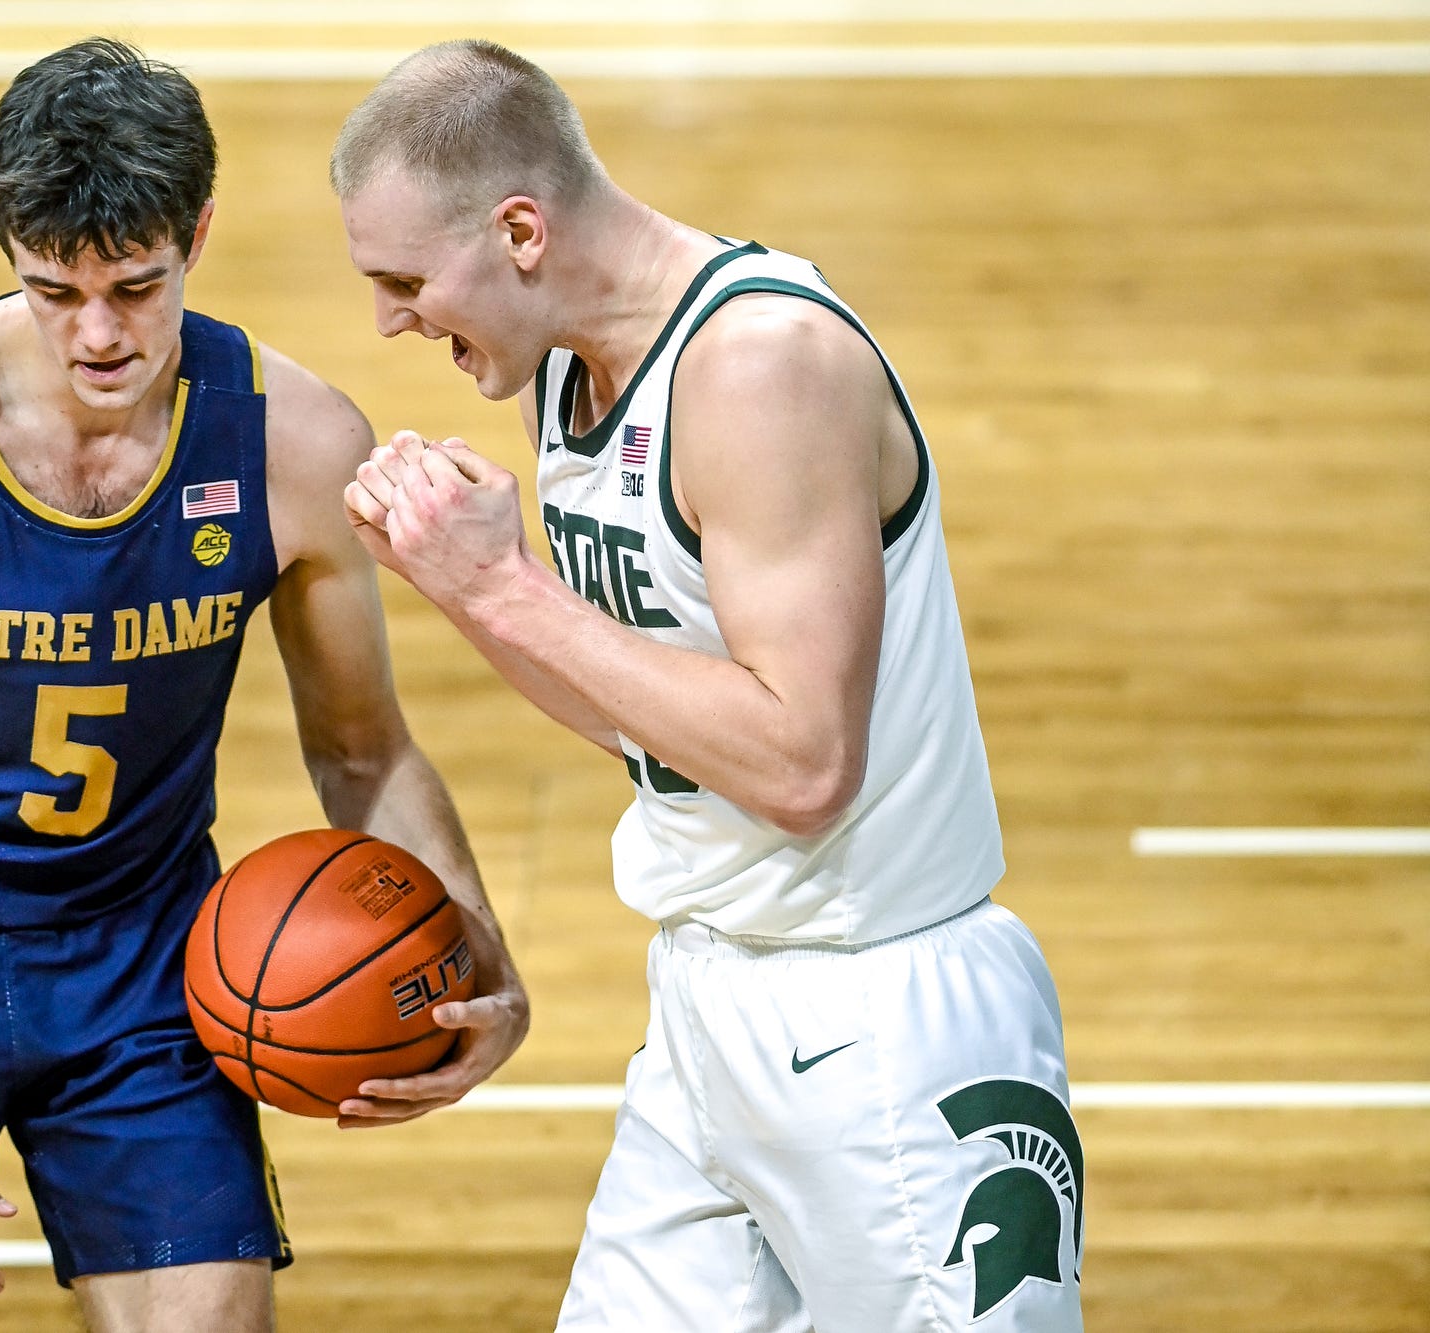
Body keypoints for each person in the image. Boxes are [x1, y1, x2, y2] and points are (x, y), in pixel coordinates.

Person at [0, 37, 528, 1333]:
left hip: (141, 960)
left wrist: (481, 959)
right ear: (8, 244)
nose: (96, 335)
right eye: (51, 290)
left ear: (197, 230)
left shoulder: (292, 440)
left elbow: (364, 753)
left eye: (137, 288)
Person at [333, 40, 1083, 1333]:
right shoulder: (567, 375)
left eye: (404, 281)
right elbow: (654, 729)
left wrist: (509, 588)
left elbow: (800, 763)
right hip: (708, 1010)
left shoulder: (760, 363)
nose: (390, 321)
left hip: (883, 1017)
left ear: (521, 229)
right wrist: (458, 584)